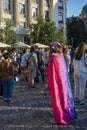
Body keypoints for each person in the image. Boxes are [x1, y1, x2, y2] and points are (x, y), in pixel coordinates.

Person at [47, 41, 77, 125]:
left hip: (56, 83)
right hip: (63, 83)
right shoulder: (61, 57)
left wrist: (48, 83)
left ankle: (59, 117)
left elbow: (51, 73)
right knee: (64, 98)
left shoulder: (53, 58)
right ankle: (67, 114)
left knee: (57, 99)